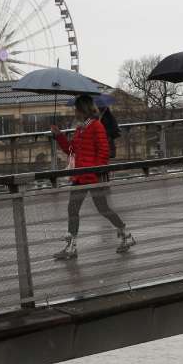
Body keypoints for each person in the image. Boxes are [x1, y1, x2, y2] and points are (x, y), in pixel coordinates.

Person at [51, 95, 135, 260]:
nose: (74, 112)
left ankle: (126, 234)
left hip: (93, 177)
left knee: (102, 209)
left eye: (76, 109)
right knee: (73, 209)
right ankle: (72, 246)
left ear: (83, 109)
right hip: (80, 176)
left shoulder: (96, 126)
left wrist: (94, 172)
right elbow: (71, 150)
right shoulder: (80, 128)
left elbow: (103, 152)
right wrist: (59, 136)